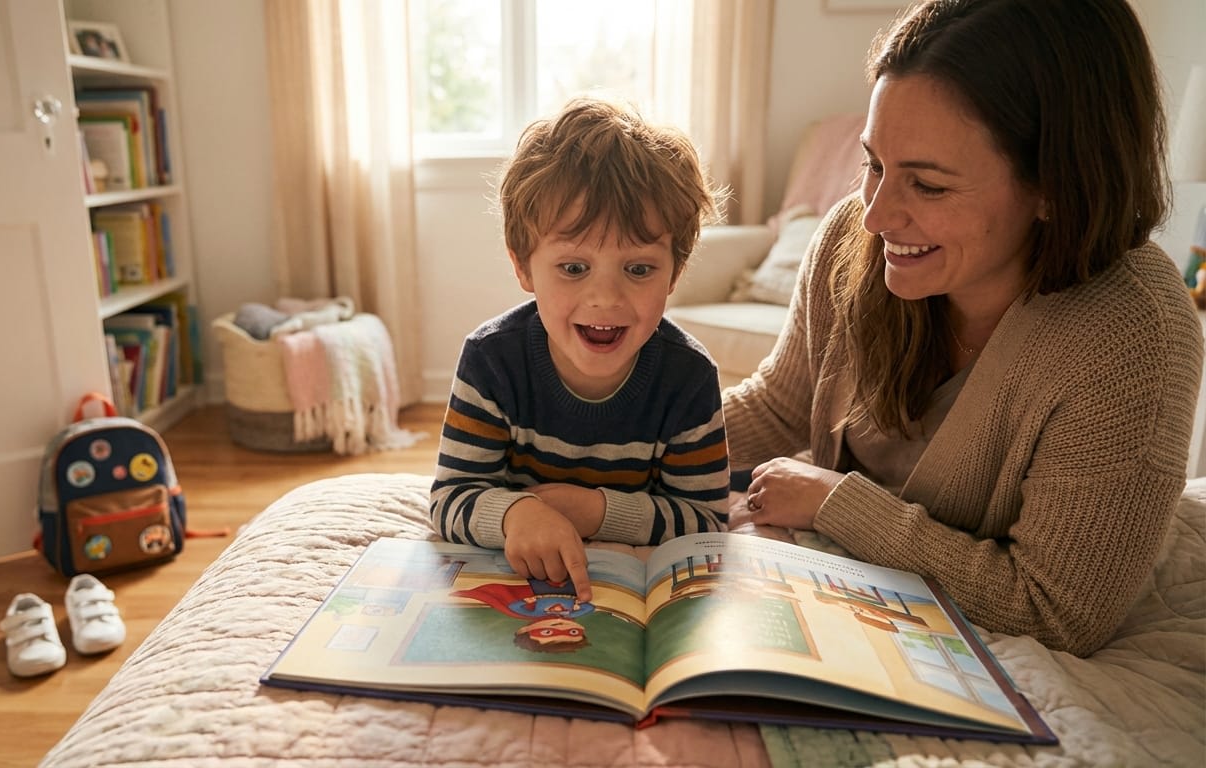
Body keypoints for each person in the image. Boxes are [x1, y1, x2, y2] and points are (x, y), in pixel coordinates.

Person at [725, 0, 1204, 657]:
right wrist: (604, 439)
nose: (874, 216)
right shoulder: (848, 241)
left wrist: (839, 505)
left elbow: (1056, 613)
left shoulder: (1133, 334)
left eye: (927, 186)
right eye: (873, 165)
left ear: (1053, 188)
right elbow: (780, 405)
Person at [431, 96, 731, 603]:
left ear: (675, 273)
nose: (605, 299)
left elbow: (707, 521)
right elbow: (450, 499)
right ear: (523, 267)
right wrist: (516, 513)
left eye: (639, 269)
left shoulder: (690, 376)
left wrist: (593, 510)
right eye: (574, 268)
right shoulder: (491, 361)